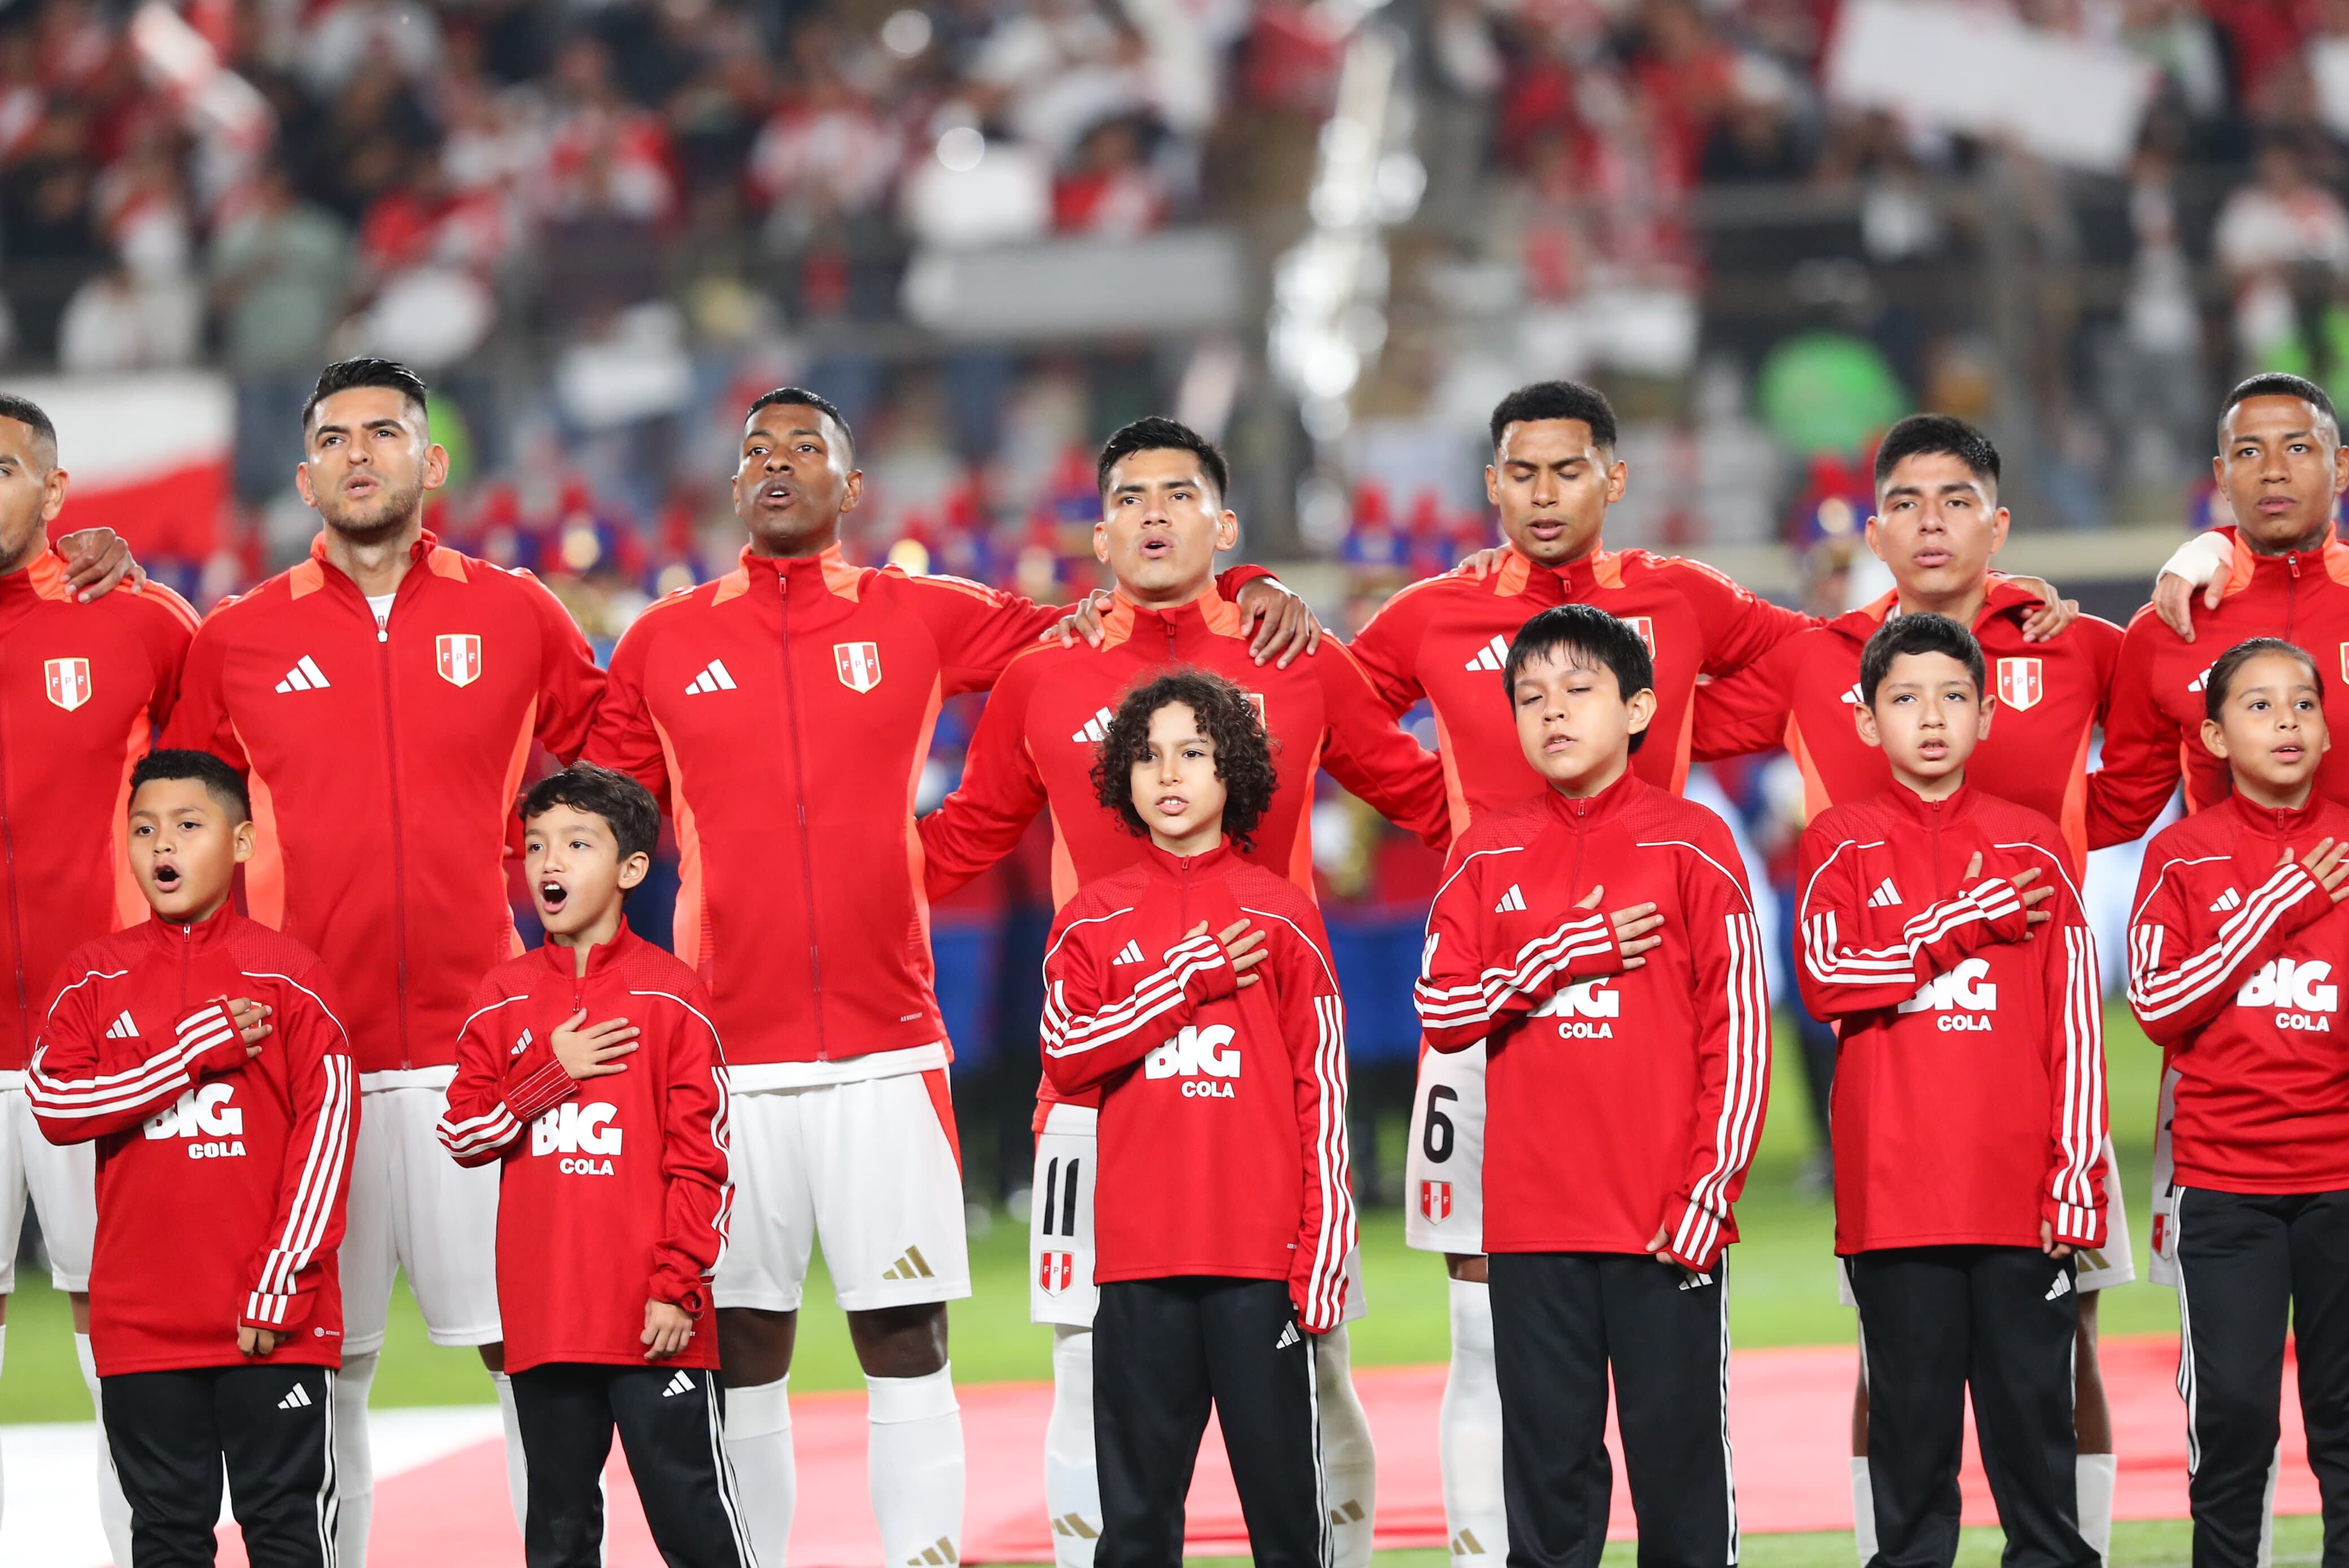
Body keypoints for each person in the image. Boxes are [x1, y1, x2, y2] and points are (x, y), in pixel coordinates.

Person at [582, 387, 1317, 1568]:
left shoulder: (923, 615)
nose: (778, 465)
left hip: (891, 1043)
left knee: (907, 1332)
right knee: (739, 1337)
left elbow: (1116, 617)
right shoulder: (666, 643)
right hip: (728, 1050)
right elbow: (602, 820)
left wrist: (1248, 588)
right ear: (731, 487)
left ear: (851, 488)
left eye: (805, 448)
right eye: (755, 451)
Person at [917, 416, 1449, 1567]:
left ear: (1225, 522)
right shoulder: (1043, 672)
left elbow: (1425, 795)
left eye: (1179, 494)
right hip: (1095, 1082)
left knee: (1316, 1372)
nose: (1154, 515)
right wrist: (806, 873)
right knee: (1086, 1370)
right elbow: (957, 841)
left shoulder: (1292, 653)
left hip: (1267, 1073)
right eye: (1131, 498)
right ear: (1099, 530)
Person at [160, 356, 610, 1564]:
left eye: (385, 432)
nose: (360, 454)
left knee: (536, 1355)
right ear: (304, 472)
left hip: (494, 1050)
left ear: (433, 460)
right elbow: (174, 824)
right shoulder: (238, 638)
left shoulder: (516, 613)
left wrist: (586, 926)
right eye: (335, 438)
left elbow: (619, 757)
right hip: (312, 1066)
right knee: (322, 1368)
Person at [1692, 413, 2131, 1558]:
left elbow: (2191, 720)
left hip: (2037, 1068)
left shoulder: (2076, 646)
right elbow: (1651, 714)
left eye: (1956, 501)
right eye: (1907, 503)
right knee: (1897, 1372)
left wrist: (2190, 573)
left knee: (2064, 1353)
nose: (1930, 523)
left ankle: (2065, 1544)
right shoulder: (1811, 656)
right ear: (1873, 527)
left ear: (1997, 519)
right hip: (1896, 1115)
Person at [1413, 603, 1767, 1568]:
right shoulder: (1483, 852)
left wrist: (1706, 1193)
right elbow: (1442, 1010)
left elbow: (1738, 1033)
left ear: (1640, 706)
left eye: (1579, 689)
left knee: (1681, 1486)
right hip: (1534, 1230)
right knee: (1549, 1494)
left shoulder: (1694, 841)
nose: (1554, 712)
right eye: (1531, 696)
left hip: (1665, 1222)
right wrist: (1562, 955)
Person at [1796, 614, 2107, 1568]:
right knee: (1913, 1457)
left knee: (2035, 1452)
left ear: (1984, 716)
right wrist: (1964, 922)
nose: (1930, 717)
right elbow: (1826, 978)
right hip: (1895, 1205)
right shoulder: (1837, 845)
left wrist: (2076, 1173)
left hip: (2022, 1200)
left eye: (1953, 697)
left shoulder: (2034, 846)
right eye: (1905, 698)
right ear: (1866, 722)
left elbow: (2076, 1025)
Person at [1037, 669, 1355, 1568]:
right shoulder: (1091, 920)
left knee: (1289, 1522)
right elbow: (1068, 1052)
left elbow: (1321, 1083)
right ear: (1122, 778)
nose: (1167, 772)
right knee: (1135, 1529)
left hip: (1260, 1261)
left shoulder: (1284, 915)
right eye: (1146, 754)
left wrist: (1322, 1235)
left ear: (1233, 774)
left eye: (1193, 752)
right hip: (1138, 1264)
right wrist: (1187, 982)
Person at [28, 748, 356, 1567]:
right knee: (166, 1537)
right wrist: (185, 1056)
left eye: (187, 825)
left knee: (286, 1530)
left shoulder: (291, 978)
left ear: (243, 843)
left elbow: (329, 1132)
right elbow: (56, 1106)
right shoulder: (91, 978)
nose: (161, 845)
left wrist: (281, 1276)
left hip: (271, 1318)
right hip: (142, 1324)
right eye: (143, 828)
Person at [438, 763, 744, 1568]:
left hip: (655, 1322)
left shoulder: (672, 997)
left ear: (632, 868)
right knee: (560, 1536)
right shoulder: (501, 996)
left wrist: (678, 1284)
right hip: (547, 1322)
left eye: (577, 844)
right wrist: (551, 1068)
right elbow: (465, 1133)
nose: (549, 863)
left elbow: (702, 1160)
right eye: (536, 845)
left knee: (695, 1529)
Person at [0, 392, 197, 1563]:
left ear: (57, 496)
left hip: (105, 1049)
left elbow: (231, 801)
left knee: (119, 1329)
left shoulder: (139, 622)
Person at [2126, 637, 2349, 1568]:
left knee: (2343, 1421)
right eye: (2258, 706)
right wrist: (2281, 904)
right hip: (2225, 1191)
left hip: (2342, 1184)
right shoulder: (2180, 857)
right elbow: (2157, 1004)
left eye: (2303, 702)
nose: (2288, 720)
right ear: (2212, 734)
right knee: (2233, 1421)